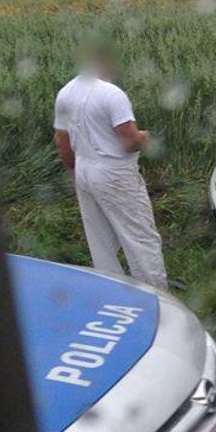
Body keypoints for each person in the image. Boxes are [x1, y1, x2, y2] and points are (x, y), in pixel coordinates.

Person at [53, 39, 167, 289]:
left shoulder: (66, 92)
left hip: (83, 167)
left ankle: (112, 293)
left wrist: (74, 173)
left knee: (100, 240)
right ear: (105, 62)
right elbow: (129, 141)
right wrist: (145, 137)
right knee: (140, 237)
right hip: (114, 171)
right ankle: (156, 298)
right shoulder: (111, 95)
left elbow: (62, 141)